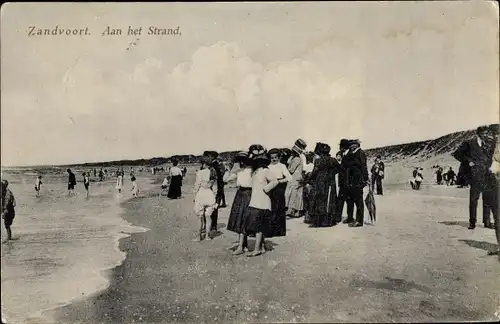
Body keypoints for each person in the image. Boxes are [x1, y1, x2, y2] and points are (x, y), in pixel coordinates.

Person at [452, 126, 494, 229]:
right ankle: (472, 222)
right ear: (479, 133)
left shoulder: (488, 143)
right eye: (484, 133)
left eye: (487, 133)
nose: (486, 135)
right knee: (474, 200)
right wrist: (469, 162)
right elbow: (457, 154)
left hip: (487, 175)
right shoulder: (469, 143)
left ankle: (487, 222)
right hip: (475, 175)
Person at [244, 145, 279, 257]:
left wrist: (266, 189)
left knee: (258, 226)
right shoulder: (255, 172)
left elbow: (275, 181)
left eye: (261, 160)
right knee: (257, 225)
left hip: (263, 201)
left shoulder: (265, 170)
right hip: (255, 200)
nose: (259, 162)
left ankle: (257, 249)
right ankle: (261, 247)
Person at [307, 142, 342, 228]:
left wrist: (309, 179)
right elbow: (339, 169)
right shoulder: (333, 160)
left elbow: (314, 172)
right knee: (329, 201)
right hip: (330, 183)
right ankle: (328, 221)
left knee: (319, 201)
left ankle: (319, 221)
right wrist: (331, 174)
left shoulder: (318, 161)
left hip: (320, 183)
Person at [224, 151, 253, 254]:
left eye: (243, 160)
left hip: (249, 194)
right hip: (240, 193)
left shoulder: (251, 170)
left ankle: (241, 246)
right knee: (240, 218)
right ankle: (243, 245)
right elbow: (226, 179)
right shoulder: (238, 170)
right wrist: (228, 170)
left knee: (244, 219)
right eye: (239, 160)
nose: (241, 162)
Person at [266, 148, 292, 237]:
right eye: (272, 157)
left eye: (276, 157)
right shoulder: (268, 166)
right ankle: (270, 230)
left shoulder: (282, 166)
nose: (274, 159)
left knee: (279, 208)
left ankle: (279, 231)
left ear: (279, 157)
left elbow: (289, 177)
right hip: (270, 188)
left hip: (279, 188)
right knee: (271, 208)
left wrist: (279, 181)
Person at [343, 139, 369, 227]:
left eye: (352, 144)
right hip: (351, 181)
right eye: (350, 145)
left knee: (358, 201)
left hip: (358, 180)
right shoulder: (352, 153)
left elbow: (363, 167)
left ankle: (359, 220)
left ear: (357, 145)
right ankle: (350, 217)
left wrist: (366, 178)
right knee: (350, 199)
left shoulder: (361, 153)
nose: (350, 146)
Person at [193, 153, 218, 241]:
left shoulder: (200, 173)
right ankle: (207, 236)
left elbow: (197, 185)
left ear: (204, 164)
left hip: (201, 194)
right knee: (208, 216)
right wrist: (214, 197)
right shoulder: (213, 172)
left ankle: (198, 236)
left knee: (200, 216)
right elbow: (215, 188)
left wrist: (194, 195)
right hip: (210, 194)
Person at [285, 139, 307, 218]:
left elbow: (291, 170)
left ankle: (291, 211)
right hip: (298, 178)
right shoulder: (299, 158)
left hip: (294, 178)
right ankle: (297, 211)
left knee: (292, 195)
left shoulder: (296, 159)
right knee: (298, 195)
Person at [336, 139, 350, 224]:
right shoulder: (345, 154)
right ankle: (341, 217)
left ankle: (338, 217)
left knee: (342, 200)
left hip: (346, 182)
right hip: (344, 182)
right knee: (343, 200)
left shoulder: (348, 155)